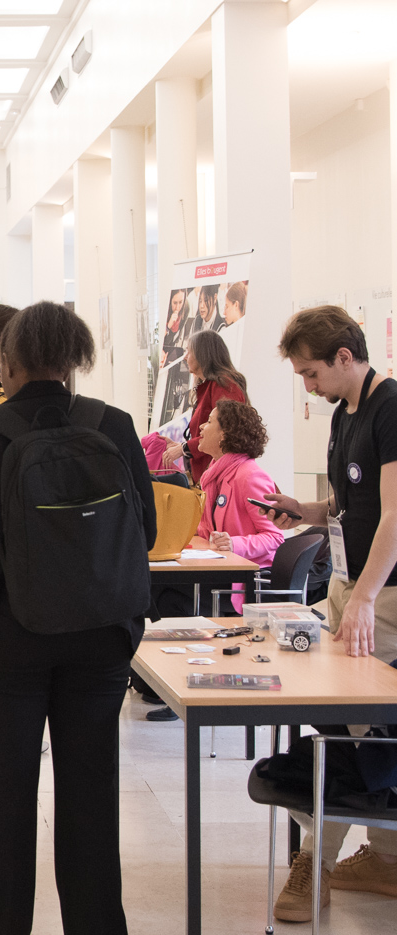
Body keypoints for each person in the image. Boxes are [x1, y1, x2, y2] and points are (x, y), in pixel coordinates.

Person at [0, 301, 156, 935]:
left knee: (7, 792)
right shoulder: (113, 424)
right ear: (75, 362)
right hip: (100, 640)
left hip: (11, 638)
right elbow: (143, 530)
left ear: (6, 362)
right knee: (91, 795)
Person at [261, 305, 397, 922]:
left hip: (383, 589)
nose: (307, 388)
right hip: (349, 579)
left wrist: (365, 598)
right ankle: (385, 859)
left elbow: (395, 514)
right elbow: (350, 502)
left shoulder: (391, 407)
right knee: (320, 699)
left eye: (312, 374)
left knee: (352, 722)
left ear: (345, 357)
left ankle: (314, 863)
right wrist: (305, 510)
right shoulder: (345, 414)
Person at [196, 399, 284, 606]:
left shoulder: (250, 476)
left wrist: (234, 544)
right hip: (222, 570)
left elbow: (275, 537)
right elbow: (207, 530)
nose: (201, 426)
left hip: (246, 579)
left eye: (209, 422)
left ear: (224, 434)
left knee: (166, 595)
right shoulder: (214, 475)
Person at [162, 329, 247, 482]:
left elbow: (224, 433)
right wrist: (183, 446)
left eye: (189, 351)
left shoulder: (223, 386)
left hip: (220, 475)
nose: (185, 357)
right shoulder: (210, 386)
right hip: (210, 474)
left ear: (203, 355)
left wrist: (183, 448)